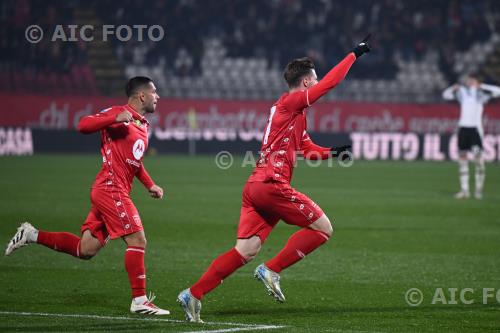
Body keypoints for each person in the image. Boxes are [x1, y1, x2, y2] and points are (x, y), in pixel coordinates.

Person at [177, 36, 371, 323]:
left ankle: (193, 294)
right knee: (323, 228)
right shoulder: (292, 102)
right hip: (271, 184)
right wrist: (354, 53)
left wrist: (332, 152)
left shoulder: (294, 113)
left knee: (245, 250)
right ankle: (272, 270)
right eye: (313, 80)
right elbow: (330, 84)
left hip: (256, 186)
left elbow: (306, 149)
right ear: (306, 83)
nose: (316, 84)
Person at [5, 76, 170, 315]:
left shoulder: (143, 124)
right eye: (154, 92)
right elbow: (82, 125)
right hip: (109, 188)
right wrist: (113, 118)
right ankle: (139, 300)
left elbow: (135, 162)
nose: (158, 96)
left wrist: (150, 185)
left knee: (86, 249)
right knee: (138, 240)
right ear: (141, 95)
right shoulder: (118, 113)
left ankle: (31, 234)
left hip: (115, 190)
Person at [442, 75, 500, 199]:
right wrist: (453, 87)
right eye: (468, 81)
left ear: (477, 82)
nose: (469, 82)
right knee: (462, 158)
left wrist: (482, 86)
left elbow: (498, 91)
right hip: (463, 129)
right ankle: (464, 190)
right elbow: (445, 95)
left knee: (478, 159)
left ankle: (478, 191)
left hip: (475, 131)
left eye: (472, 80)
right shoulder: (462, 93)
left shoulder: (481, 95)